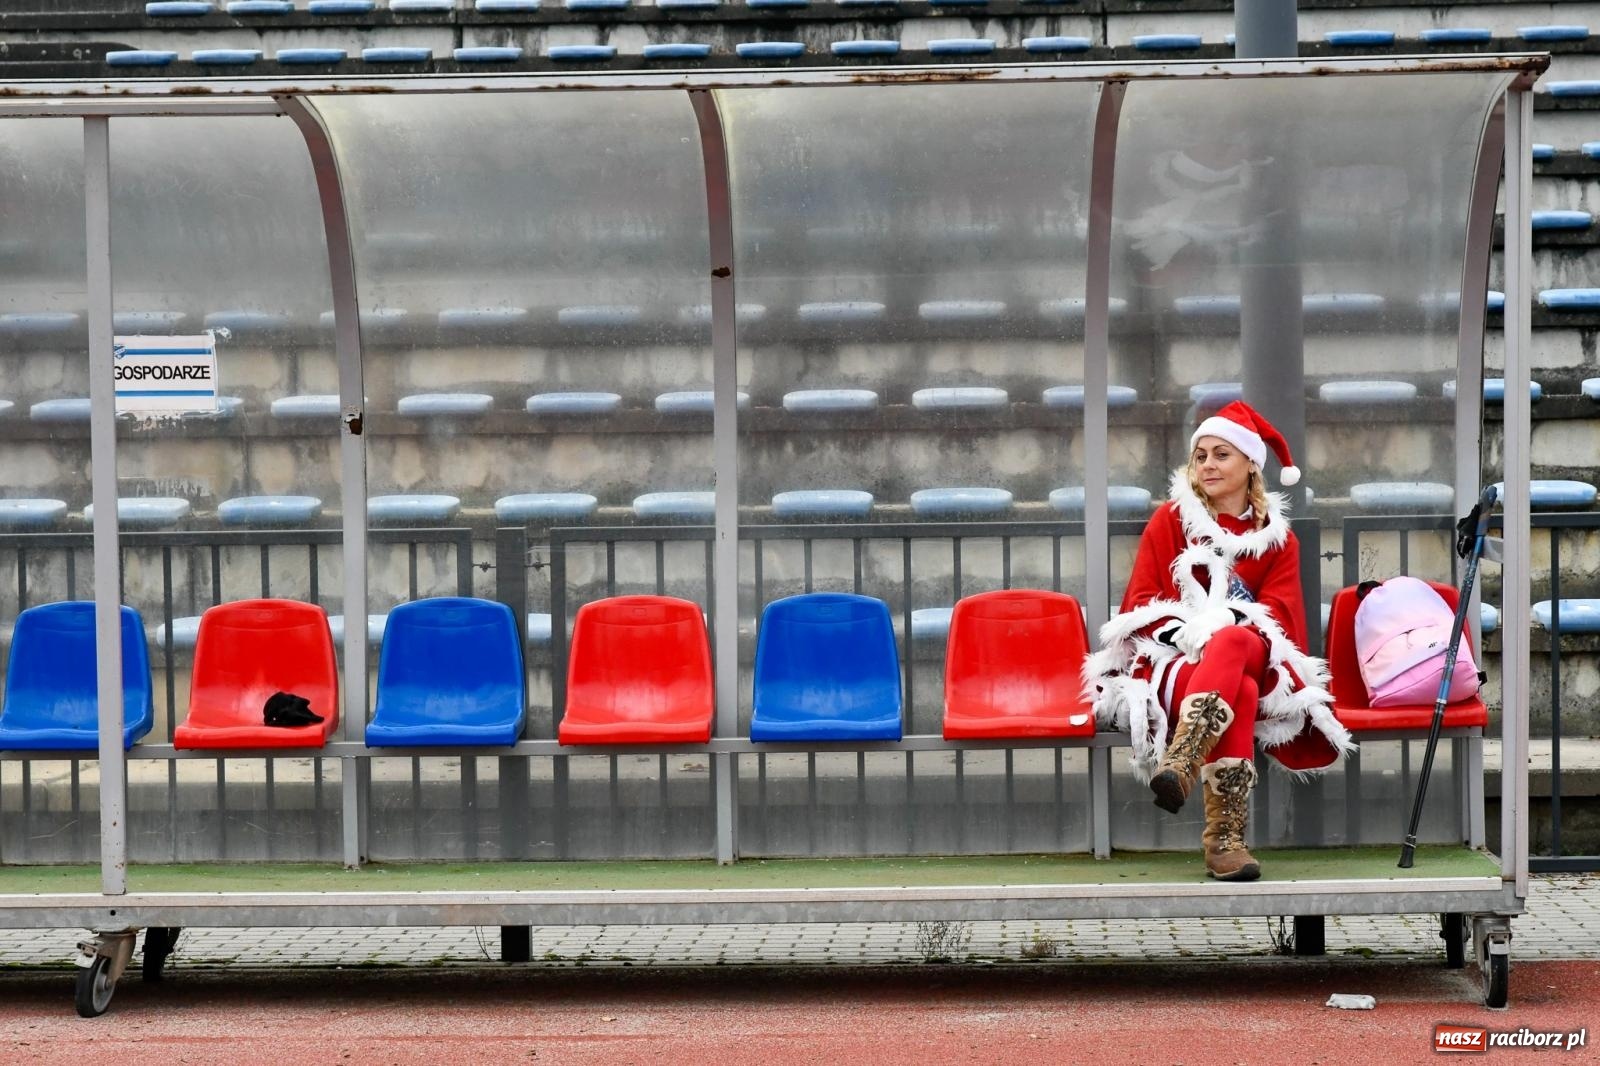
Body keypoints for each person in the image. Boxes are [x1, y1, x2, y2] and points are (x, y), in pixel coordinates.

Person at [1084, 400, 1353, 881]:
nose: (1207, 464)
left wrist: (1225, 623)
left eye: (1221, 454)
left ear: (1251, 464)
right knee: (1241, 689)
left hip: (1252, 654)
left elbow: (1282, 623)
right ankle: (1225, 842)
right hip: (1175, 662)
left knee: (1233, 643)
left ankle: (1184, 761)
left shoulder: (1277, 540)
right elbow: (1139, 606)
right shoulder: (1171, 520)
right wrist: (1189, 631)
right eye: (1201, 455)